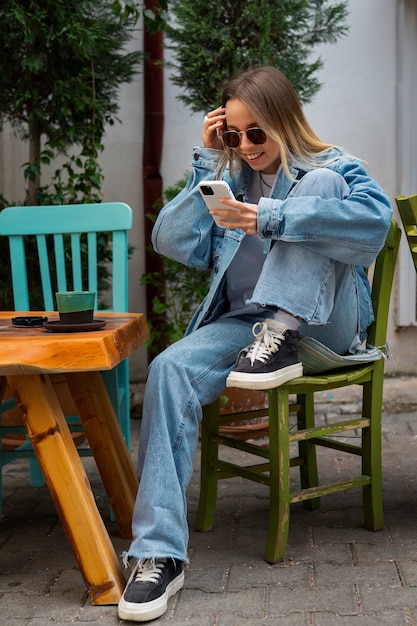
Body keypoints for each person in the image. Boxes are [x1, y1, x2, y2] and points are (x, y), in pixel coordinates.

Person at [118, 65, 393, 622]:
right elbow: (169, 241)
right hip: (248, 330)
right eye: (233, 135)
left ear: (284, 121)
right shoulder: (230, 180)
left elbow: (376, 224)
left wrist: (269, 216)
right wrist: (206, 160)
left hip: (324, 328)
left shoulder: (333, 167)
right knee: (170, 370)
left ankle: (283, 334)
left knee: (318, 187)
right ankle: (157, 555)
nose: (246, 147)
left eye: (256, 134)